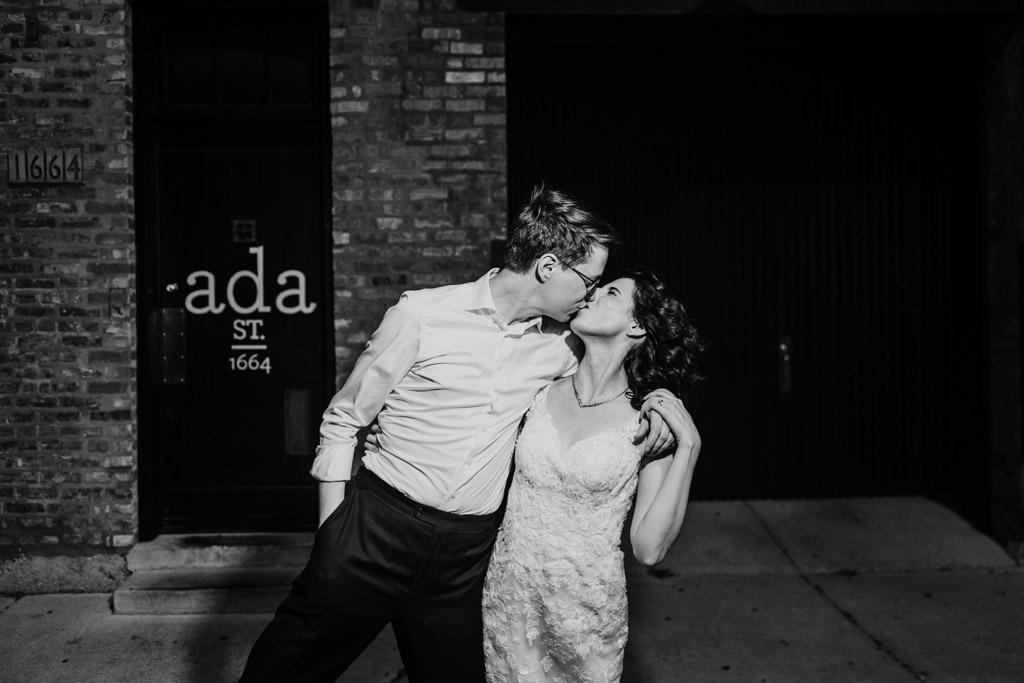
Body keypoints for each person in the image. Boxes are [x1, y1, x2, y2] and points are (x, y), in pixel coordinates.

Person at [237, 186, 675, 683]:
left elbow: (616, 368)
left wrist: (660, 403)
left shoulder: (563, 346)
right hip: (375, 529)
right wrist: (332, 534)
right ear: (548, 267)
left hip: (465, 557)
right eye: (589, 280)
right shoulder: (421, 315)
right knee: (284, 669)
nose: (592, 293)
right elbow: (344, 418)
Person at [481, 269, 705, 683]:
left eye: (611, 292)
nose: (592, 294)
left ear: (636, 324)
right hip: (511, 603)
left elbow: (649, 550)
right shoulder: (538, 389)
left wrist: (688, 448)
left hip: (583, 620)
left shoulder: (647, 424)